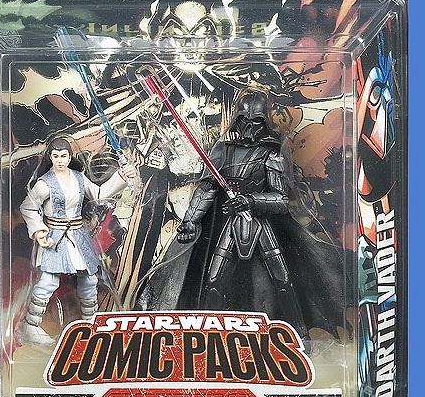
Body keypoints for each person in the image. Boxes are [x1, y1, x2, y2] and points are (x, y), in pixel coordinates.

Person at [137, 90, 349, 346]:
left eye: (256, 121)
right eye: (244, 120)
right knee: (213, 281)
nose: (249, 127)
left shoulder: (271, 153)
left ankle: (299, 336)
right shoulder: (223, 150)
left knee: (282, 280)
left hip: (261, 224)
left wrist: (251, 201)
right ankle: (206, 336)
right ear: (236, 120)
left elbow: (282, 199)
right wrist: (191, 220)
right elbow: (206, 188)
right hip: (231, 223)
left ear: (265, 122)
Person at [20, 135, 136, 345]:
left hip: (77, 234)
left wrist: (120, 176)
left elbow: (99, 193)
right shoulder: (45, 183)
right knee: (48, 281)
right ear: (51, 157)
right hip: (55, 236)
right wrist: (38, 230)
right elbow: (28, 206)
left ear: (69, 156)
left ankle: (91, 323)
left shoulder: (79, 178)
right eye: (56, 156)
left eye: (64, 156)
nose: (60, 160)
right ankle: (31, 326)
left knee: (89, 279)